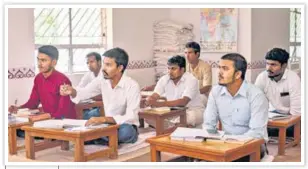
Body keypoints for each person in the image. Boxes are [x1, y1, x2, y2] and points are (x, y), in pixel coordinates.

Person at [60, 47, 140, 145]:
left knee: (125, 132)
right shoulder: (102, 80)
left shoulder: (132, 85)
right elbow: (85, 92)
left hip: (124, 125)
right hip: (106, 124)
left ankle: (97, 138)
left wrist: (105, 119)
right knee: (86, 118)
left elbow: (131, 116)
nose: (103, 69)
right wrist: (72, 91)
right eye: (104, 64)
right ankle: (103, 138)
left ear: (120, 68)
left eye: (108, 65)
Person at [203, 53, 269, 161]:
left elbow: (256, 133)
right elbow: (209, 125)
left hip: (252, 146)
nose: (219, 72)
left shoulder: (256, 95)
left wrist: (230, 143)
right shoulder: (215, 92)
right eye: (219, 68)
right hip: (225, 144)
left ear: (238, 74)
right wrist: (209, 142)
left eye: (225, 69)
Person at [8, 45, 76, 137]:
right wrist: (18, 108)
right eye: (38, 60)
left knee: (24, 132)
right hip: (47, 120)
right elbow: (32, 103)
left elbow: (62, 112)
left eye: (43, 60)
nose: (39, 64)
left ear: (54, 62)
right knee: (16, 130)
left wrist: (40, 117)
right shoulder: (38, 78)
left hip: (63, 122)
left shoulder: (63, 80)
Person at [142, 41, 212, 106]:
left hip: (200, 95)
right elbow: (167, 80)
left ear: (197, 54)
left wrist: (191, 91)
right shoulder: (183, 65)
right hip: (183, 95)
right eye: (185, 53)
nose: (187, 55)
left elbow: (207, 88)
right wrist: (151, 88)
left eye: (190, 53)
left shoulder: (205, 67)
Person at [146, 55, 205, 127]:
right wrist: (150, 99)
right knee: (149, 117)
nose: (170, 72)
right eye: (168, 68)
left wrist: (158, 104)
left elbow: (183, 102)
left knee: (189, 118)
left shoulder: (191, 80)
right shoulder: (164, 79)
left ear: (182, 70)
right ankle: (174, 127)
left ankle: (171, 127)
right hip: (173, 111)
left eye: (173, 69)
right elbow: (155, 95)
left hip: (192, 111)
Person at [255, 48, 301, 137]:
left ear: (284, 66)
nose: (268, 68)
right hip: (276, 114)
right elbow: (256, 102)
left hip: (294, 116)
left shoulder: (293, 79)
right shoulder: (262, 77)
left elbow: (296, 114)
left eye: (273, 65)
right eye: (267, 64)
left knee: (295, 129)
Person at [76, 52, 103, 120]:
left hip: (103, 106)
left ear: (99, 62)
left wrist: (90, 95)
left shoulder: (105, 74)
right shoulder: (88, 74)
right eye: (87, 63)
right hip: (92, 105)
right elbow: (79, 88)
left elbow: (105, 95)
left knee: (84, 116)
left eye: (91, 62)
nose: (89, 65)